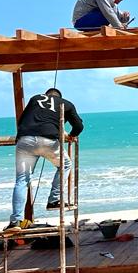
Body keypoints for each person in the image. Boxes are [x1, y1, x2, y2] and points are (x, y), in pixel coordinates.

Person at [7, 88, 84, 230]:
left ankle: (15, 221)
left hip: (25, 140)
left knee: (22, 180)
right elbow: (79, 126)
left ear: (46, 95)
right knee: (65, 165)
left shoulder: (35, 98)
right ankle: (54, 199)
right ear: (59, 97)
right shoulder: (66, 104)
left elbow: (22, 121)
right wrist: (72, 135)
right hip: (49, 141)